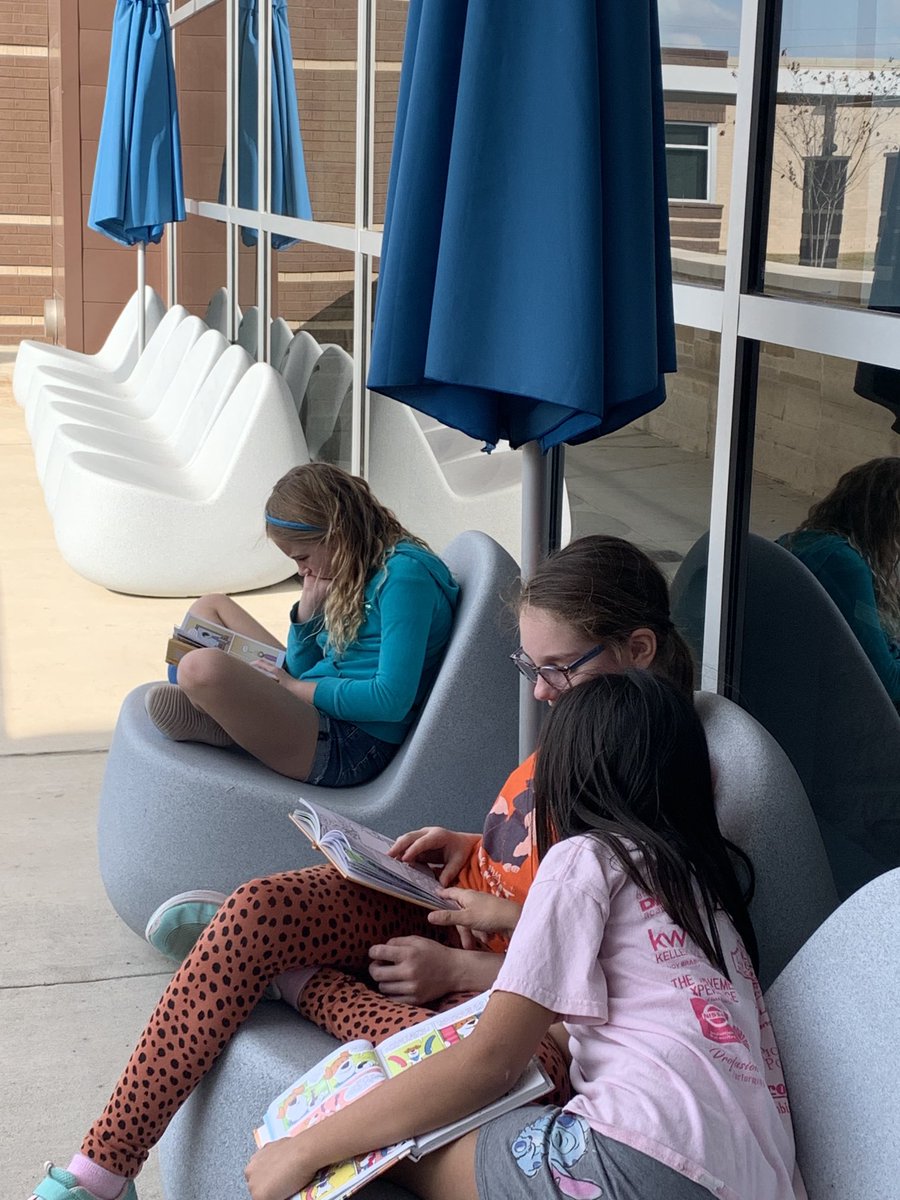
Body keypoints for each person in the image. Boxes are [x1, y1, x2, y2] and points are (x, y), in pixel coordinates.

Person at [29, 535, 696, 1200]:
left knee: (463, 1068)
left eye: (560, 669)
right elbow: (536, 837)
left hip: (519, 1002)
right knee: (261, 908)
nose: (543, 694)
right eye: (531, 668)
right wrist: (474, 842)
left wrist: (468, 965)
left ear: (637, 649)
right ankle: (97, 1174)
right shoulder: (585, 717)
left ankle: (298, 980)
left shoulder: (652, 770)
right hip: (447, 903)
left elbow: (619, 974)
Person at [245, 672, 804, 1200]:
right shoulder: (707, 900)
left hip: (630, 1159)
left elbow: (490, 1064)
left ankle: (298, 1003)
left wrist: (303, 1150)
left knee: (395, 1148)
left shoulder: (585, 857)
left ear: (567, 779)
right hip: (753, 1182)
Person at [143, 462, 461, 785]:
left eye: (303, 558)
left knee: (199, 670)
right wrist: (307, 615)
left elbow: (391, 701)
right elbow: (302, 665)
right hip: (317, 701)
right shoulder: (355, 565)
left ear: (335, 536)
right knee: (210, 608)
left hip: (349, 741)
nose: (301, 571)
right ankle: (230, 717)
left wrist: (298, 690)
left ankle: (230, 727)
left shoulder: (403, 580)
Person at [777, 456, 900, 706]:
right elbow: (885, 683)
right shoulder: (840, 563)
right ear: (886, 522)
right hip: (834, 711)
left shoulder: (808, 542)